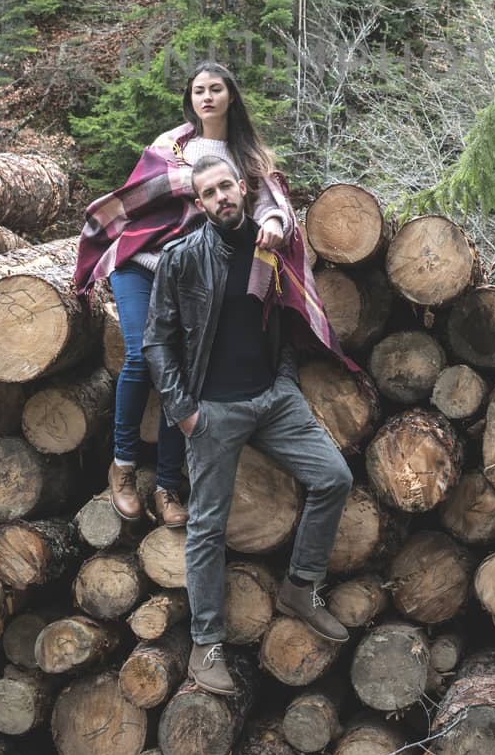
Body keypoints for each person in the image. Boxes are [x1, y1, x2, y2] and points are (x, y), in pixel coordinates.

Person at [144, 154, 354, 695]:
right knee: (208, 528)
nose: (220, 199)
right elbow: (156, 342)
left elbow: (280, 319)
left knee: (334, 477)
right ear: (199, 204)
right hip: (212, 412)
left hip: (272, 399)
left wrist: (283, 380)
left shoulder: (270, 248)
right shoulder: (183, 258)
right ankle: (206, 644)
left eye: (225, 188)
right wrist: (185, 412)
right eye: (208, 194)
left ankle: (300, 587)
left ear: (242, 187)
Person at [75, 62, 292, 527]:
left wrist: (273, 222)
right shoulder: (169, 146)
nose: (207, 97)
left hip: (191, 275)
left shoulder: (248, 158)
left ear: (231, 96)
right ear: (189, 98)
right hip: (140, 264)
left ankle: (169, 484)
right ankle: (125, 466)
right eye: (198, 90)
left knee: (185, 370)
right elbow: (134, 202)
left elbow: (273, 203)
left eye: (216, 89)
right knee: (140, 357)